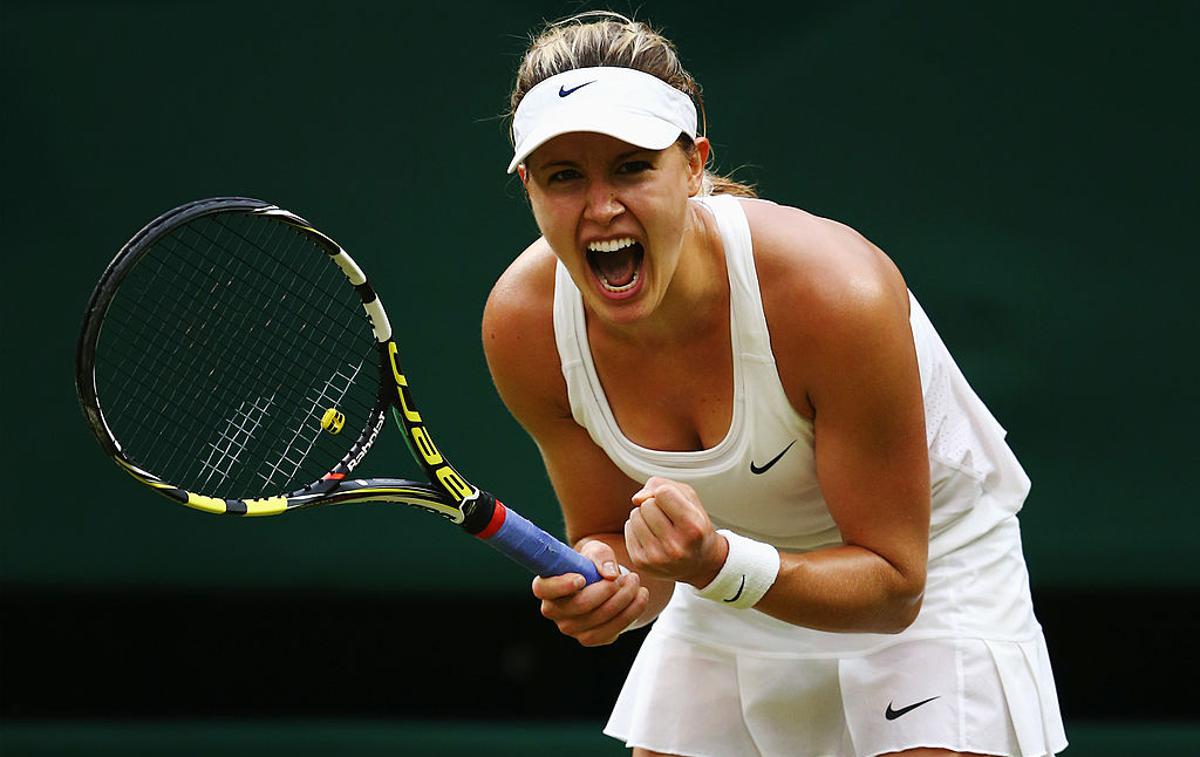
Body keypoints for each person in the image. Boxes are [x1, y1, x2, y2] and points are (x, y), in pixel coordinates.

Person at [482, 11, 1067, 757]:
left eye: (632, 166)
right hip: (722, 596)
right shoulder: (524, 326)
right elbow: (617, 541)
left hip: (924, 593)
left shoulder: (834, 293)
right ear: (528, 186)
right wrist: (615, 583)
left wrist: (715, 563)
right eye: (565, 176)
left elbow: (895, 585)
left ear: (694, 165)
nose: (601, 208)